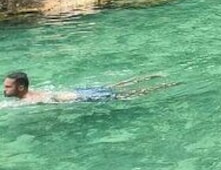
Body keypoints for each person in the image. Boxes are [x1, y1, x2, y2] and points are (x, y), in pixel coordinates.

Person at [3, 72, 176, 106]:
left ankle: (163, 86)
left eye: (8, 87)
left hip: (78, 98)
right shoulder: (33, 92)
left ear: (21, 86)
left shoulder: (29, 100)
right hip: (76, 92)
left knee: (124, 96)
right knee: (113, 87)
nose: (4, 90)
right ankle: (154, 76)